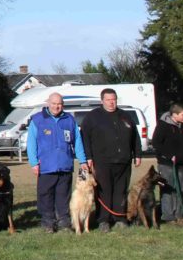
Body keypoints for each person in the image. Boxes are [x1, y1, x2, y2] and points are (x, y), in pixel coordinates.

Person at [80, 88, 141, 231]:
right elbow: (85, 139)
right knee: (104, 191)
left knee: (121, 191)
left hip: (123, 161)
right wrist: (88, 157)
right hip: (101, 161)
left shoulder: (125, 116)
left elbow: (135, 137)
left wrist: (137, 154)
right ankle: (103, 220)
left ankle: (120, 218)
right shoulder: (92, 117)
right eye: (108, 100)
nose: (111, 102)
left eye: (113, 99)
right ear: (102, 101)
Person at [27, 92, 88, 232]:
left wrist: (82, 160)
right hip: (46, 167)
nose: (56, 107)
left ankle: (64, 222)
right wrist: (34, 163)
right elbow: (31, 143)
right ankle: (48, 222)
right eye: (54, 104)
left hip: (65, 166)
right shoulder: (37, 120)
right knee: (46, 196)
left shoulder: (69, 120)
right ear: (48, 104)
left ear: (63, 105)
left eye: (59, 104)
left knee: (63, 196)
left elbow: (77, 141)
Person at [151, 103, 183, 225]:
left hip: (182, 164)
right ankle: (168, 216)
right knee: (168, 190)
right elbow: (156, 143)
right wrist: (169, 155)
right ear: (174, 115)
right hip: (167, 164)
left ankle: (179, 215)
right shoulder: (163, 126)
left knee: (180, 190)